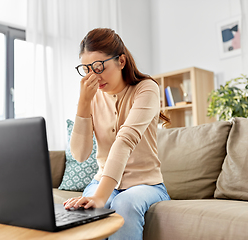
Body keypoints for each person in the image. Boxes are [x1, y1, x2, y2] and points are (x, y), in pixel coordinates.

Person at [63, 28, 171, 240]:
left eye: (98, 67)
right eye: (86, 69)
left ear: (121, 61)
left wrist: (101, 197)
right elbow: (80, 154)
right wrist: (83, 102)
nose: (93, 76)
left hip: (146, 185)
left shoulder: (146, 89)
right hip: (101, 180)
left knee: (124, 203)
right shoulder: (93, 98)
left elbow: (124, 141)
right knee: (84, 211)